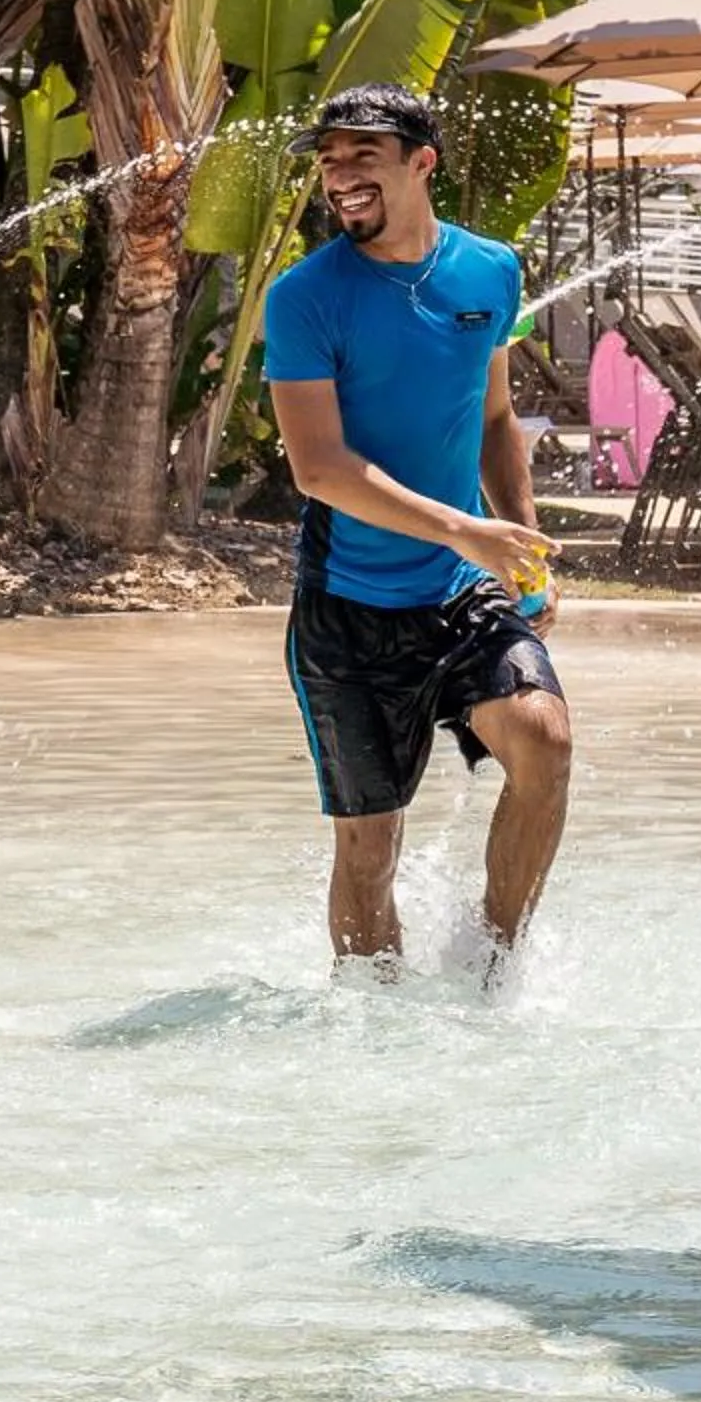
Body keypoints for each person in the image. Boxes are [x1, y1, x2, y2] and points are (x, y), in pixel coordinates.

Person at [262, 83, 571, 980]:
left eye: (364, 155)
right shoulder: (304, 298)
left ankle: (492, 967)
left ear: (421, 161)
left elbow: (494, 417)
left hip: (463, 592)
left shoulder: (491, 270)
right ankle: (379, 1034)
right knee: (370, 852)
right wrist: (463, 529)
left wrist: (521, 546)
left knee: (544, 740)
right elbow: (317, 467)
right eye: (329, 160)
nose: (341, 176)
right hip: (348, 613)